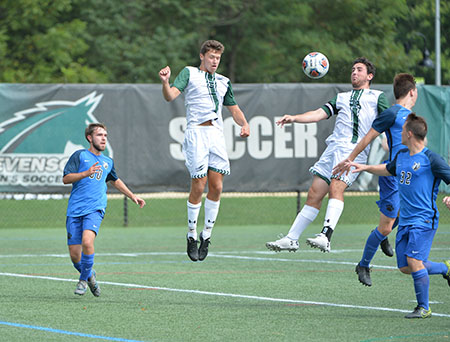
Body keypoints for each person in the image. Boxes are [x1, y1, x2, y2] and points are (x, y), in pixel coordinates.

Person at [266, 57, 389, 253]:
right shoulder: (341, 97)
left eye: (359, 70)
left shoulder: (377, 96)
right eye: (353, 70)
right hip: (332, 149)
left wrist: (388, 139)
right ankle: (291, 238)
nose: (354, 73)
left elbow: (388, 120)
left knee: (336, 188)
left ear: (369, 76)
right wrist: (294, 118)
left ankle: (326, 235)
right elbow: (318, 114)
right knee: (314, 193)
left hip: (353, 151)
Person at [349, 113, 450, 319]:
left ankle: (424, 308)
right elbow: (388, 169)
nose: (399, 132)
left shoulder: (431, 159)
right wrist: (365, 167)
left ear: (410, 134)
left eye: (403, 129)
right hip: (405, 219)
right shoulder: (403, 155)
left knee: (414, 261)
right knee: (406, 267)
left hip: (424, 219)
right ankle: (446, 268)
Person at [159, 40, 250, 262]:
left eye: (218, 58)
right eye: (211, 57)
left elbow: (234, 108)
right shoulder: (189, 73)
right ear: (202, 56)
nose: (214, 61)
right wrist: (165, 82)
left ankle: (206, 235)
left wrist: (244, 124)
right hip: (196, 134)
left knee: (217, 186)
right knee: (199, 185)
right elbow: (170, 95)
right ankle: (191, 235)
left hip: (216, 135)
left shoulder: (223, 81)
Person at [333, 73, 418, 286]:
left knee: (408, 214)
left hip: (409, 175)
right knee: (386, 226)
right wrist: (350, 159)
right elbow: (367, 138)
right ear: (412, 92)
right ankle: (363, 264)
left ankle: (382, 235)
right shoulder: (390, 114)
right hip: (391, 175)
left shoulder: (411, 116)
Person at [63, 123, 146, 296]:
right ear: (89, 138)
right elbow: (66, 178)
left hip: (95, 208)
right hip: (75, 210)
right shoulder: (80, 156)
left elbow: (115, 180)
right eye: (100, 135)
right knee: (74, 256)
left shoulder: (107, 161)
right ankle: (90, 274)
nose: (103, 138)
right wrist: (85, 173)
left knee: (87, 242)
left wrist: (133, 196)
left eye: (105, 135)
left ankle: (82, 281)